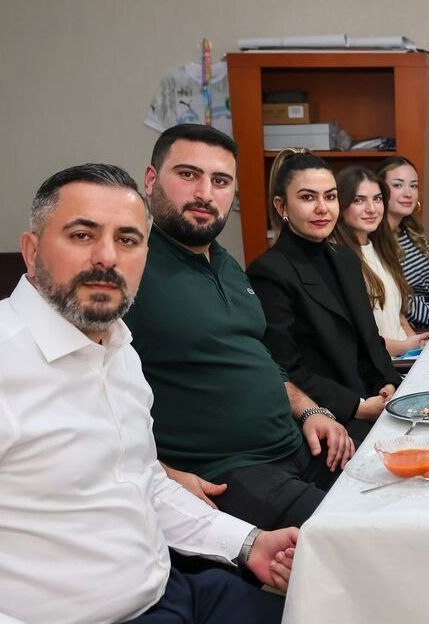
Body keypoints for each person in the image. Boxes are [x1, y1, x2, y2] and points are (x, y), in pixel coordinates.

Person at [0, 163, 297, 624]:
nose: (107, 257)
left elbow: (142, 480)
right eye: (82, 235)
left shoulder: (119, 348)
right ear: (31, 251)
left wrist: (247, 543)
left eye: (127, 239)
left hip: (174, 591)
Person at [125, 124, 355, 530]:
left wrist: (309, 410)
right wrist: (160, 474)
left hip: (299, 445)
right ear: (150, 180)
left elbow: (261, 358)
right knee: (361, 534)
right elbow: (85, 397)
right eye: (188, 174)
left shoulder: (226, 264)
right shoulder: (129, 270)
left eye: (220, 181)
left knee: (407, 489)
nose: (205, 193)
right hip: (228, 472)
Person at [247, 150, 400, 446]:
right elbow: (286, 368)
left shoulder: (345, 258)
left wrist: (387, 382)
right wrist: (357, 406)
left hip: (375, 401)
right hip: (329, 415)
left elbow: (371, 339)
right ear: (281, 206)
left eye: (330, 197)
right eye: (307, 197)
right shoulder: (269, 272)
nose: (322, 208)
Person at [334, 166, 429, 357]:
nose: (371, 209)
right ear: (341, 205)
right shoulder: (338, 259)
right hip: (380, 365)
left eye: (377, 199)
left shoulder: (382, 249)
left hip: (405, 358)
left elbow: (399, 316)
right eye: (359, 200)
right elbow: (355, 340)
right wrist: (406, 347)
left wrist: (419, 349)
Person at [378, 156, 429, 331]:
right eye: (398, 185)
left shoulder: (411, 231)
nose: (408, 193)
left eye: (413, 186)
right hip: (407, 330)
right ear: (380, 191)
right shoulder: (376, 240)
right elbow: (399, 300)